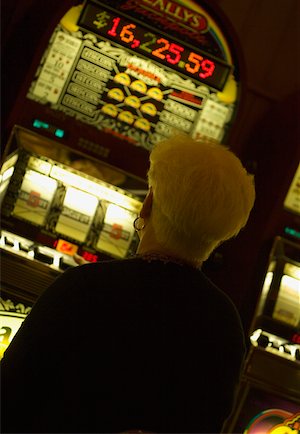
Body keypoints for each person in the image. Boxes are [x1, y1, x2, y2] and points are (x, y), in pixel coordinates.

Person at [1, 133, 255, 433]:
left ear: (147, 204)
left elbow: (10, 399)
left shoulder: (84, 287)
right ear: (225, 231)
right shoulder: (226, 324)